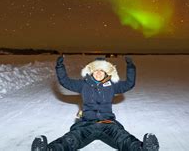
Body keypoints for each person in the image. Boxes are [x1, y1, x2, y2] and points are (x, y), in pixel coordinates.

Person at [31, 55, 159, 151]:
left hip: (108, 123)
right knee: (71, 139)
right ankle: (48, 149)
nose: (98, 73)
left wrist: (130, 67)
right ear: (91, 72)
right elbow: (65, 82)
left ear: (106, 73)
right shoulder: (83, 84)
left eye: (101, 71)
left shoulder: (112, 86)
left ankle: (143, 149)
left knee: (123, 138)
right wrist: (60, 67)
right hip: (87, 124)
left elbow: (129, 84)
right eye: (96, 71)